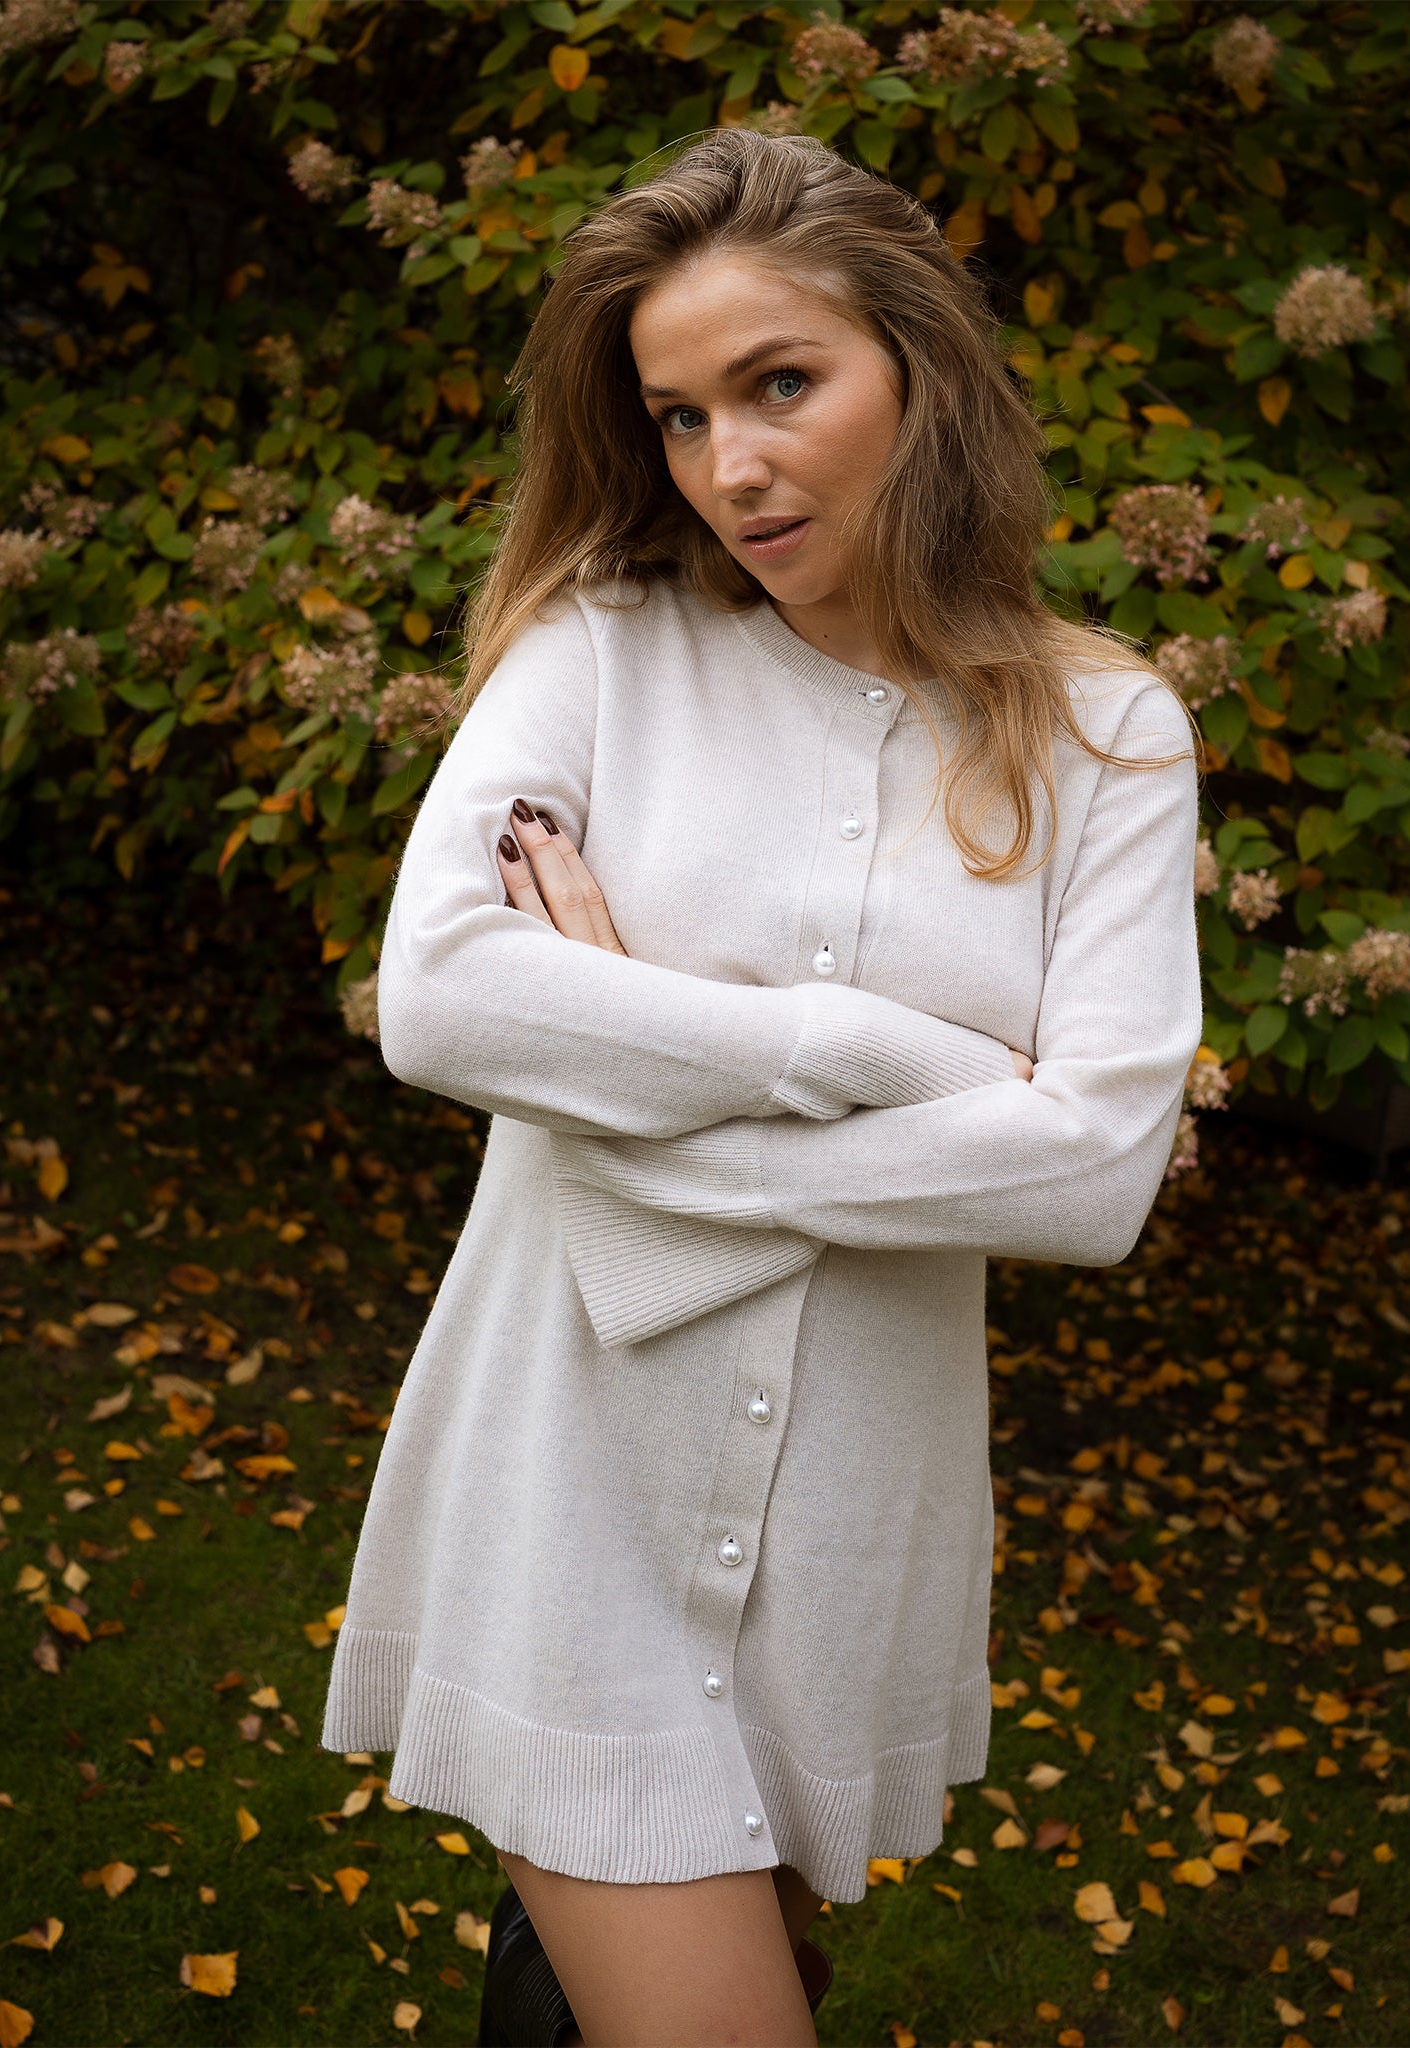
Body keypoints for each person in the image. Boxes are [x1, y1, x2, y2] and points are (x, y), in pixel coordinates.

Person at [321, 128, 1202, 2047]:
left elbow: (1091, 1179)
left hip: (842, 1549)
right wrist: (898, 1067)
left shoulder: (1107, 733)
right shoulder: (597, 655)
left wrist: (637, 1082)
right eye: (678, 415)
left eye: (780, 385)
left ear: (922, 370)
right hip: (563, 1511)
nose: (729, 463)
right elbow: (449, 999)